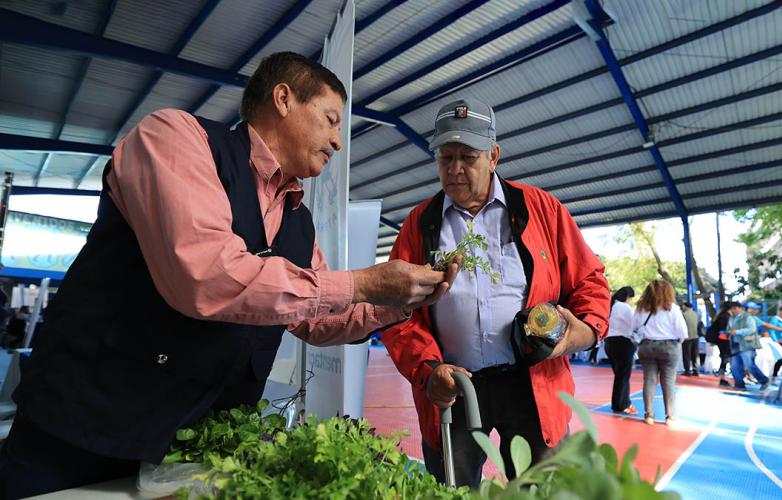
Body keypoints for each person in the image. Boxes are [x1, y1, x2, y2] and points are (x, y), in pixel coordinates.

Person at [0, 52, 459, 499]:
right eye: (330, 118)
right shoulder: (176, 137)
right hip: (86, 421)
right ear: (283, 99)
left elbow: (316, 320)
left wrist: (403, 299)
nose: (338, 140)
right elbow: (205, 275)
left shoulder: (299, 218)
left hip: (196, 443)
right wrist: (364, 281)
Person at [380, 98, 611, 488]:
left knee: (543, 489)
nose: (454, 169)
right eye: (444, 157)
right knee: (449, 489)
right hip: (456, 387)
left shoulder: (543, 210)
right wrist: (428, 369)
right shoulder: (419, 224)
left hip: (533, 383)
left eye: (467, 157)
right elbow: (397, 313)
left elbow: (590, 282)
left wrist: (584, 331)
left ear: (494, 156)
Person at [632, 280, 687, 426]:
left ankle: (649, 414)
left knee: (649, 381)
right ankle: (670, 416)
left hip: (647, 346)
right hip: (669, 346)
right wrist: (677, 342)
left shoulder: (641, 308)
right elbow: (683, 331)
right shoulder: (672, 308)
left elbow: (634, 327)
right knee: (668, 382)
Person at [605, 286, 637, 414]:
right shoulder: (624, 307)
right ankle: (622, 404)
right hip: (623, 342)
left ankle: (620, 403)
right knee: (623, 376)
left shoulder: (610, 306)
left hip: (610, 342)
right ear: (627, 297)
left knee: (619, 375)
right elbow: (634, 324)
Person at [728, 301, 770, 391]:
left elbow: (752, 329)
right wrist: (728, 332)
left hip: (747, 345)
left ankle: (764, 380)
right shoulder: (731, 318)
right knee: (735, 366)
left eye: (734, 308)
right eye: (731, 309)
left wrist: (737, 332)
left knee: (749, 365)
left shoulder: (748, 317)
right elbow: (729, 328)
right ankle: (739, 384)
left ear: (740, 308)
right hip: (735, 344)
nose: (733, 310)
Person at [706, 301, 735, 386]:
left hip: (720, 340)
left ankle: (722, 375)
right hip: (723, 340)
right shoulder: (725, 317)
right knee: (725, 357)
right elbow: (723, 330)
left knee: (724, 357)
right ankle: (722, 376)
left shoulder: (721, 316)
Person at [680, 302, 700, 376]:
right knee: (695, 354)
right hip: (696, 336)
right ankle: (696, 370)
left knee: (686, 355)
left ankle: (687, 370)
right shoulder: (696, 314)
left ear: (685, 306)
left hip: (687, 337)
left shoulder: (683, 315)